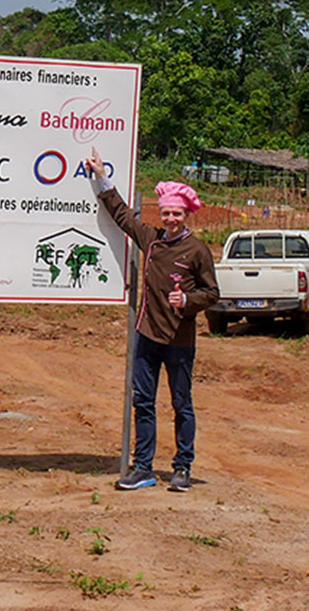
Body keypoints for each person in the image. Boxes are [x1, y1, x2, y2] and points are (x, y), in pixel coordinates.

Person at [84, 148, 218, 492]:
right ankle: (143, 467)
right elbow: (122, 216)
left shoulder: (198, 251)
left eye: (177, 214)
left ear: (186, 215)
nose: (171, 219)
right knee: (142, 402)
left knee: (181, 404)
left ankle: (182, 467)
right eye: (166, 213)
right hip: (147, 336)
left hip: (179, 341)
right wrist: (102, 176)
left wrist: (187, 300)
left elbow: (212, 293)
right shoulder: (152, 240)